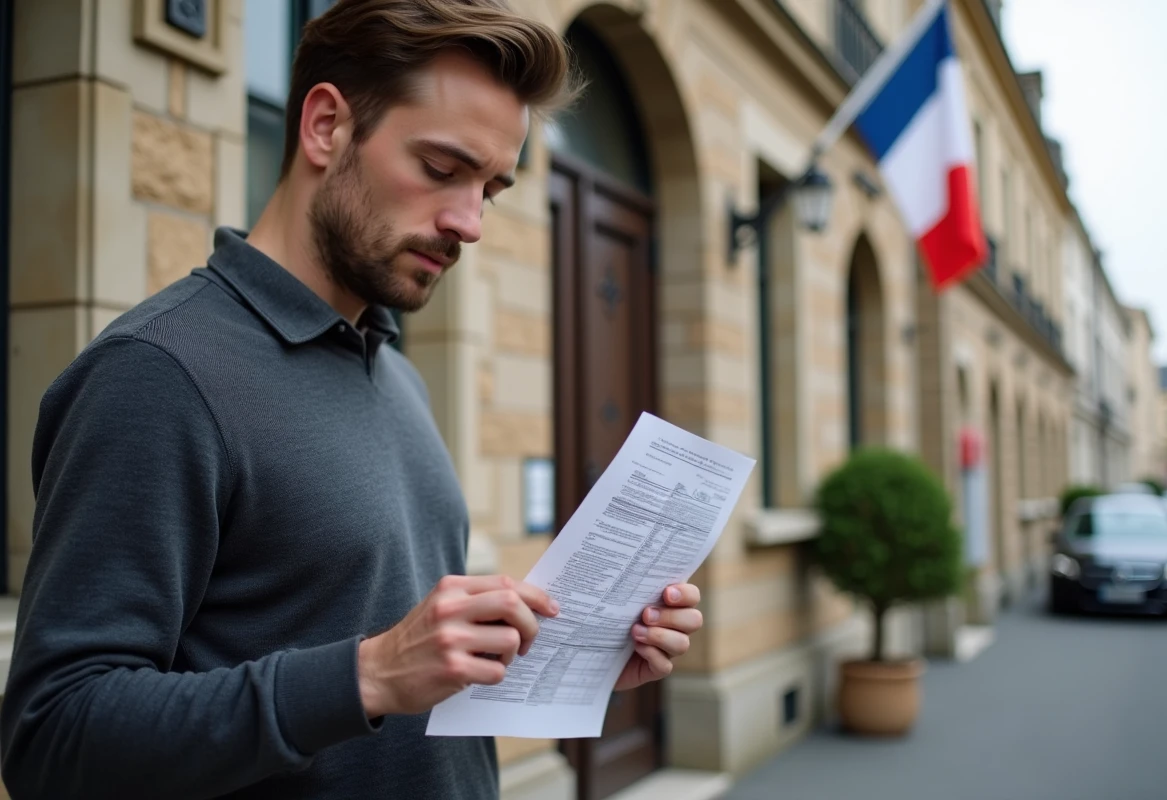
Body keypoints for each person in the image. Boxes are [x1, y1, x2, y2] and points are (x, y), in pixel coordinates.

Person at [0, 1, 704, 797]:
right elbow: (50, 735)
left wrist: (573, 660)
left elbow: (395, 674)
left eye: (491, 189)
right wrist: (366, 675)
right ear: (327, 126)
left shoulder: (395, 372)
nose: (468, 223)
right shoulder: (157, 372)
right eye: (442, 169)